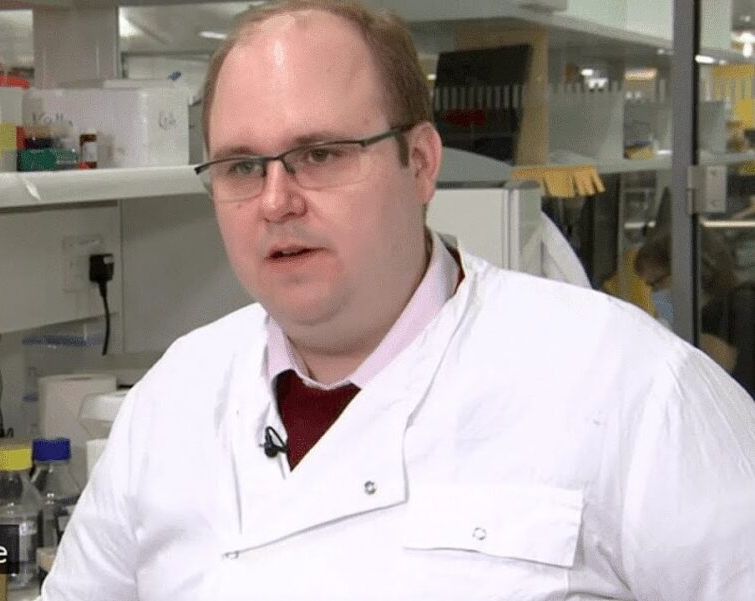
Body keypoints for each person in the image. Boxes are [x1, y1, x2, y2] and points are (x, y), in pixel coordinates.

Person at [41, 1, 755, 599]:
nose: (276, 200)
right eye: (241, 166)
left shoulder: (631, 385)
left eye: (320, 154)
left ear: (419, 163)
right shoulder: (170, 403)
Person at [636, 230, 755, 397]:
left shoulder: (741, 310)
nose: (655, 294)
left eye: (658, 282)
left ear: (697, 271)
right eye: (651, 286)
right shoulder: (704, 319)